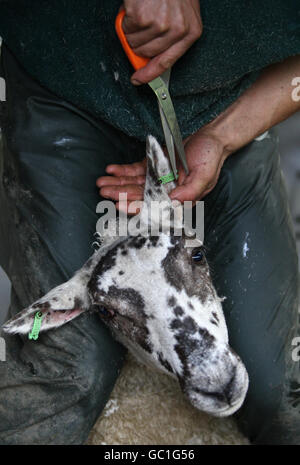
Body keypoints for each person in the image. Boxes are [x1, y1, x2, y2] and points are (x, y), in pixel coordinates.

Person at [0, 0, 299, 445]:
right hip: (64, 90)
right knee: (67, 376)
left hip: (231, 105)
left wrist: (221, 136)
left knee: (280, 393)